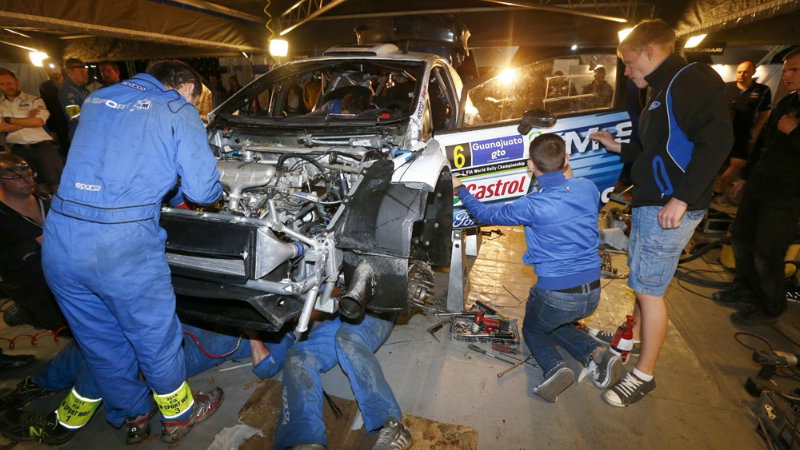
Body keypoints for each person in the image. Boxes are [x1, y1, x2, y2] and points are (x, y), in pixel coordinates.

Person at [41, 60, 224, 443]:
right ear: (184, 87)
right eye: (195, 98)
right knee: (154, 336)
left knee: (99, 341)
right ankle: (179, 416)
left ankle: (134, 415)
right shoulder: (176, 108)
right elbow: (203, 192)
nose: (192, 104)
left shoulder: (97, 99)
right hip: (121, 245)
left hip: (60, 238)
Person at [590, 19, 732, 407]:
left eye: (628, 61)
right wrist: (617, 148)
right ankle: (634, 336)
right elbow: (655, 151)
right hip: (654, 202)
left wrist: (682, 198)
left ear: (649, 51)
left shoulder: (690, 79)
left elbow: (718, 141)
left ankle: (644, 375)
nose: (626, 70)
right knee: (641, 282)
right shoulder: (659, 89)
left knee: (649, 291)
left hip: (671, 205)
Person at [453, 133, 618, 403]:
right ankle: (598, 354)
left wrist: (460, 188)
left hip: (557, 293)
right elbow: (568, 181)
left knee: (533, 329)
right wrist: (561, 167)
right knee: (554, 323)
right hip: (593, 292)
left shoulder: (532, 205)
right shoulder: (587, 188)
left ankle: (555, 367)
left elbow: (483, 214)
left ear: (530, 164)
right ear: (566, 160)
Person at [0, 323, 294, 446]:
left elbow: (266, 367)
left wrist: (252, 331)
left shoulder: (286, 331)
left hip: (176, 353)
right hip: (168, 324)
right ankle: (38, 384)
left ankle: (60, 425)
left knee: (107, 358)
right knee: (88, 343)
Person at [717, 48, 800, 326]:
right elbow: (764, 144)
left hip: (787, 195)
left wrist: (795, 132)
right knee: (742, 238)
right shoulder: (787, 102)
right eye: (786, 70)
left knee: (768, 251)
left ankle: (769, 307)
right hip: (761, 184)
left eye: (794, 70)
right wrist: (745, 177)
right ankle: (743, 289)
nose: (787, 75)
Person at [276, 313, 412, 450]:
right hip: (340, 312)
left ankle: (393, 427)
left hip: (375, 310)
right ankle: (305, 440)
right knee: (297, 358)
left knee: (349, 339)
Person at [0, 153, 66, 330]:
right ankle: (25, 312)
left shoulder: (44, 198)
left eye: (29, 174)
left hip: (63, 272)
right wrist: (34, 244)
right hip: (31, 282)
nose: (27, 180)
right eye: (16, 178)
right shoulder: (3, 215)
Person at [0, 68, 63, 193]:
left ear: (17, 82)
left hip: (42, 147)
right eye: (2, 84)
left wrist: (10, 120)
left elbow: (38, 122)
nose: (7, 86)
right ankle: (43, 204)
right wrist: (28, 120)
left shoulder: (34, 100)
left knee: (56, 182)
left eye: (9, 83)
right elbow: (1, 128)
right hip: (18, 149)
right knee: (32, 184)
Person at [715, 61, 772, 198]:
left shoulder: (762, 90)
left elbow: (764, 114)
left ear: (753, 72)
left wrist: (753, 132)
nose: (741, 74)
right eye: (739, 71)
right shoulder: (726, 87)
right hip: (722, 132)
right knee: (713, 162)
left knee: (738, 164)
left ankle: (717, 193)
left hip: (743, 134)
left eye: (745, 72)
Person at [38, 59, 71, 157]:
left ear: (60, 67)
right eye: (48, 68)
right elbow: (46, 107)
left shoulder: (71, 82)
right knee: (65, 153)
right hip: (58, 125)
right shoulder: (45, 87)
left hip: (73, 121)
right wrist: (51, 130)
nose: (53, 71)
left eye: (54, 67)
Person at [57, 58, 90, 140]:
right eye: (82, 71)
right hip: (81, 136)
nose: (86, 74)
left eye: (86, 71)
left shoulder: (83, 90)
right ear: (70, 72)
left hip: (87, 133)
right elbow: (75, 117)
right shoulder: (67, 92)